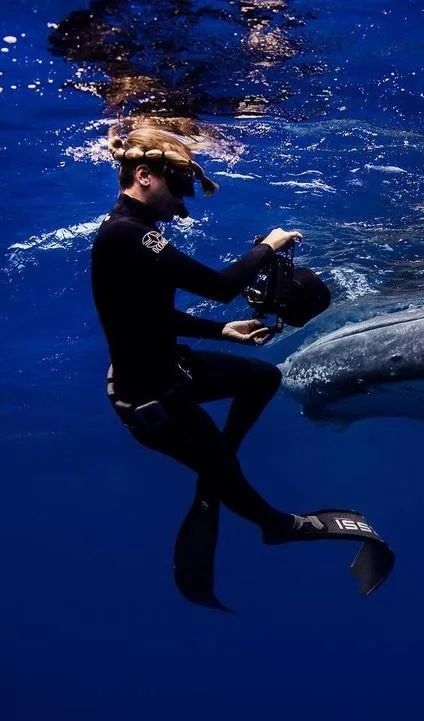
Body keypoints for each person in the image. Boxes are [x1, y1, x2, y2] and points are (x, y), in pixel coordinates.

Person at [91, 126, 328, 607]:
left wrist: (221, 332)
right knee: (228, 476)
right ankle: (275, 526)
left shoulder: (136, 236)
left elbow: (150, 315)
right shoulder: (127, 235)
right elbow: (220, 287)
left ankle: (216, 464)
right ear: (144, 176)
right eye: (177, 187)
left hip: (171, 368)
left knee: (263, 377)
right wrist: (270, 246)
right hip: (153, 400)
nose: (181, 201)